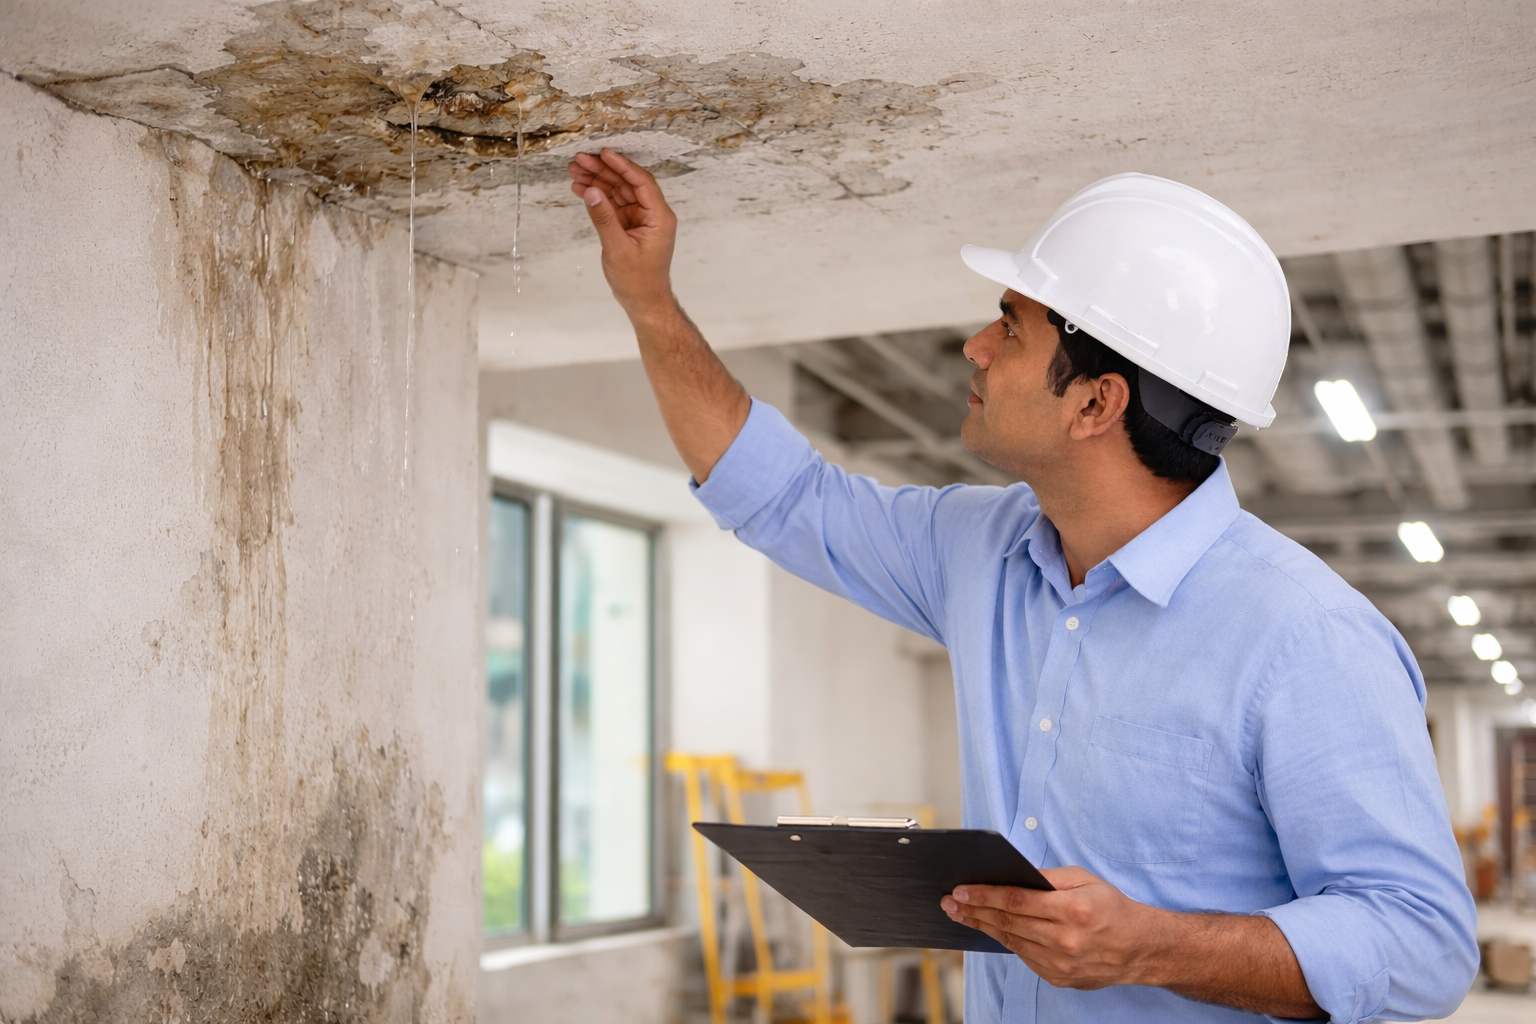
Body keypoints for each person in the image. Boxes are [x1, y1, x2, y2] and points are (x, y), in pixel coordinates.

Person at [566, 149, 1477, 1023]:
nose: (974, 346)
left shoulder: (1305, 637)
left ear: (1095, 404)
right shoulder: (978, 550)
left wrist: (1151, 948)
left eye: (1010, 324)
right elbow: (784, 496)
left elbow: (1425, 944)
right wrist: (649, 301)